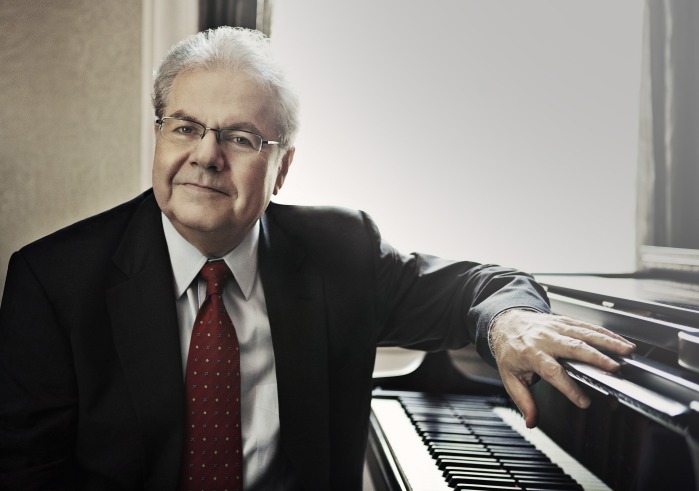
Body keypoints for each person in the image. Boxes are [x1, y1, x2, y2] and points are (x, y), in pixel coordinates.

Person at [0, 27, 635, 491]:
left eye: (241, 138)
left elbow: (482, 287)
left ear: (282, 170)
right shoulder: (54, 282)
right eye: (186, 127)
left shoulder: (341, 252)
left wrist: (508, 323)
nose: (207, 155)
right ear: (160, 134)